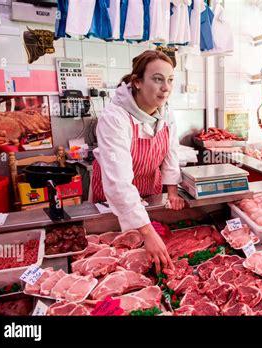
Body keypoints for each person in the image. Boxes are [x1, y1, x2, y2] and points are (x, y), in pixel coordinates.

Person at [92, 50, 185, 272]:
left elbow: (171, 151)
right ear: (137, 82)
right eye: (157, 79)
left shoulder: (166, 112)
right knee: (115, 256)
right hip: (113, 198)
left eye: (170, 80)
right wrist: (147, 232)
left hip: (148, 190)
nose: (166, 88)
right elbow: (119, 183)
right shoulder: (114, 117)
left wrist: (172, 191)